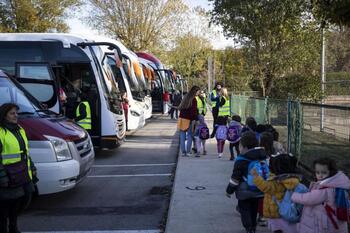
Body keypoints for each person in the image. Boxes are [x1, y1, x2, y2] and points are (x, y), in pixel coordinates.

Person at [0, 103, 38, 233]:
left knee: (23, 200)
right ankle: (9, 229)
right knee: (5, 207)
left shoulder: (19, 129)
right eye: (12, 113)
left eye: (16, 113)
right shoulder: (1, 132)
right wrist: (2, 177)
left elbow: (25, 152)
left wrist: (32, 166)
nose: (16, 115)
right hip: (8, 176)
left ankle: (13, 226)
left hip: (22, 174)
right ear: (4, 116)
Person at [291, 158, 350, 233]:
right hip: (333, 219)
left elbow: (309, 199)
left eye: (324, 173)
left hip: (325, 223)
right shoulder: (338, 185)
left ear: (331, 172)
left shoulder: (325, 190)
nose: (320, 175)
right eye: (317, 172)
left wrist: (294, 196)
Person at [226, 131, 267, 233]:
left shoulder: (241, 160)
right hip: (259, 189)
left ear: (244, 147)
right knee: (254, 209)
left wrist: (229, 190)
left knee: (244, 209)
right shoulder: (262, 156)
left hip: (245, 191)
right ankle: (253, 226)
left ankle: (249, 228)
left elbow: (235, 178)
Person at [252, 153, 302, 233]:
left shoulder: (278, 181)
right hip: (286, 211)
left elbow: (266, 187)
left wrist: (256, 177)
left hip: (275, 211)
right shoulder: (292, 178)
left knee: (278, 230)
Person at [177, 86, 200, 157]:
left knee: (182, 135)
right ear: (195, 91)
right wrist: (196, 119)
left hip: (181, 119)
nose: (199, 93)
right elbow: (193, 112)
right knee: (189, 135)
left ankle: (183, 152)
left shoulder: (185, 97)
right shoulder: (193, 100)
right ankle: (188, 151)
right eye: (198, 91)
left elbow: (181, 108)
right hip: (188, 119)